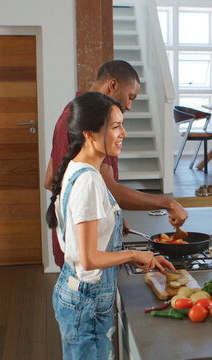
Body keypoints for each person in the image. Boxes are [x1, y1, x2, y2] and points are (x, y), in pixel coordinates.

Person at [47, 92, 175, 359]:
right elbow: (90, 258)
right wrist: (134, 254)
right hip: (87, 304)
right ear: (90, 134)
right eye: (115, 127)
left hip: (77, 295)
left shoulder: (76, 168)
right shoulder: (89, 181)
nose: (123, 133)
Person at [44, 60, 188, 267]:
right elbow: (107, 188)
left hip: (73, 249)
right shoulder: (96, 125)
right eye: (130, 96)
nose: (130, 105)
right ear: (113, 85)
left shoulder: (73, 114)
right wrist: (168, 203)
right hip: (89, 260)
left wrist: (104, 217)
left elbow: (51, 180)